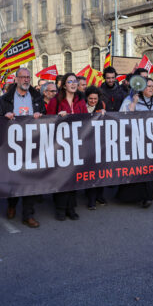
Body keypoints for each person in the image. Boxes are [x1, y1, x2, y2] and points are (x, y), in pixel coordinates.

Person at [0, 68, 45, 228]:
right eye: (22, 77)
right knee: (14, 179)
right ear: (16, 79)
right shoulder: (5, 99)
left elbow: (45, 115)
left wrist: (40, 115)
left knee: (30, 179)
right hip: (13, 145)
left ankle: (28, 214)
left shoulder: (37, 97)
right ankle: (11, 204)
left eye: (28, 77)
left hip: (33, 143)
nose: (26, 80)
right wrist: (4, 116)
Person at [119, 77, 153, 207]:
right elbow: (122, 115)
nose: (152, 89)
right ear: (141, 88)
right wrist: (133, 103)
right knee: (140, 170)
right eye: (149, 86)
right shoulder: (131, 99)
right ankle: (144, 195)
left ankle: (148, 196)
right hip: (137, 142)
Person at [46, 73, 87, 219]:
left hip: (76, 144)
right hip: (60, 145)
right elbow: (47, 122)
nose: (73, 84)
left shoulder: (80, 101)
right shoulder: (55, 101)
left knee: (73, 177)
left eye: (75, 81)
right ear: (64, 85)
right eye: (70, 82)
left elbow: (86, 120)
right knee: (62, 177)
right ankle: (60, 208)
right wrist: (58, 117)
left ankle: (71, 208)